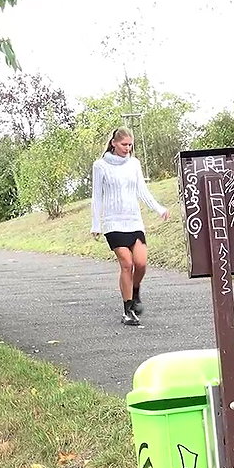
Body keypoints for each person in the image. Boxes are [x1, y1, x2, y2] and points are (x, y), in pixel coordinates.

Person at [90, 127, 168, 326]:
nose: (127, 148)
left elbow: (142, 191)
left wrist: (159, 209)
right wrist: (96, 224)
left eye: (130, 145)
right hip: (113, 223)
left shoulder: (134, 164)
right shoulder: (100, 166)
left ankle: (135, 290)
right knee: (127, 264)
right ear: (114, 143)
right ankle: (128, 310)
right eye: (124, 144)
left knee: (141, 264)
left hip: (133, 221)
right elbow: (97, 197)